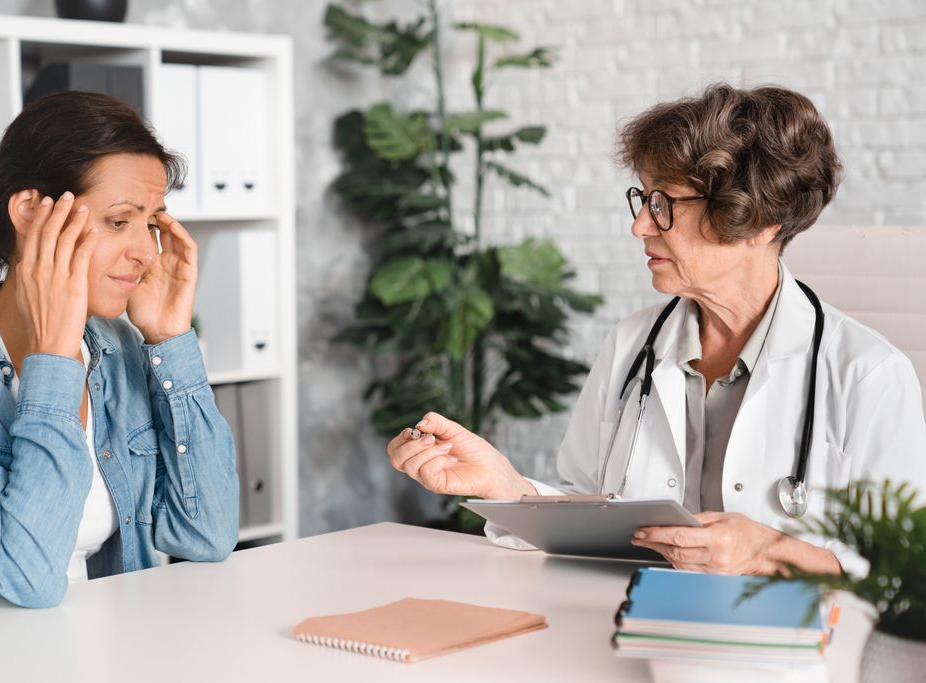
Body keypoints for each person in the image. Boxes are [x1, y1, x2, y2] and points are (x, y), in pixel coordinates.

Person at [387, 83, 926, 576]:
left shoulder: (868, 376)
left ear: (759, 220)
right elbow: (589, 510)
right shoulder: (631, 345)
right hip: (626, 632)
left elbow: (904, 573)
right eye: (644, 199)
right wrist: (504, 488)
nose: (640, 224)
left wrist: (770, 554)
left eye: (665, 204)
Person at [0, 91, 239, 616]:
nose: (147, 252)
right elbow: (26, 575)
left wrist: (171, 341)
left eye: (151, 223)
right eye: (118, 221)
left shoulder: (119, 346)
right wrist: (56, 360)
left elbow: (208, 534)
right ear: (31, 213)